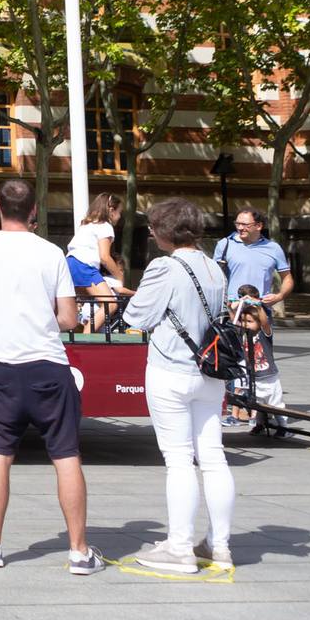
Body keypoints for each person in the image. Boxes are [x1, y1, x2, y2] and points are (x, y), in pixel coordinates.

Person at [0, 178, 103, 576]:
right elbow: (70, 318)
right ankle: (79, 552)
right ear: (34, 210)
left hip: (4, 366)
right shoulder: (51, 252)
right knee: (66, 455)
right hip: (49, 367)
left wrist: (0, 322)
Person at [120, 196, 236, 574]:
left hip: (171, 368)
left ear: (165, 232)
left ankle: (180, 548)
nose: (151, 235)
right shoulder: (216, 267)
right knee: (214, 457)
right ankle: (218, 545)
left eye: (153, 229)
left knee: (178, 459)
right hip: (210, 371)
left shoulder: (164, 267)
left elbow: (138, 315)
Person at [212, 209, 293, 317]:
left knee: (263, 334)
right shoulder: (224, 245)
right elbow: (213, 277)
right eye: (237, 224)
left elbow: (287, 278)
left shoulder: (273, 248)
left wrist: (279, 296)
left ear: (258, 226)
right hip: (231, 310)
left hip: (260, 309)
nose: (240, 228)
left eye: (245, 225)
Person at [65, 193, 127, 331]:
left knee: (84, 302)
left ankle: (81, 330)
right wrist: (119, 276)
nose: (120, 216)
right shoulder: (105, 227)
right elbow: (105, 257)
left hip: (70, 262)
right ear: (111, 210)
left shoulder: (87, 225)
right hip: (84, 266)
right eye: (119, 212)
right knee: (111, 304)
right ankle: (88, 337)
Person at [226, 287, 283, 429]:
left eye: (250, 321)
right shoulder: (244, 332)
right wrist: (231, 307)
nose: (246, 324)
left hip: (268, 375)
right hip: (253, 376)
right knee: (256, 402)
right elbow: (234, 321)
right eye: (244, 321)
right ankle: (259, 425)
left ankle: (283, 426)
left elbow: (264, 321)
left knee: (275, 403)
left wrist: (257, 305)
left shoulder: (265, 333)